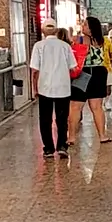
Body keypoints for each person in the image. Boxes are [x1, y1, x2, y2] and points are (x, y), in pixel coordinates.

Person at [29, 18, 78, 159]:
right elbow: (73, 67)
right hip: (63, 87)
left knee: (45, 119)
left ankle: (48, 149)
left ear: (43, 31)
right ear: (56, 31)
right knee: (62, 119)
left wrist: (34, 88)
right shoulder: (65, 46)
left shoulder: (38, 46)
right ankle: (62, 146)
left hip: (45, 88)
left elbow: (35, 71)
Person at [69, 17, 112, 144]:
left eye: (85, 25)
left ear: (90, 28)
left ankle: (71, 137)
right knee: (97, 107)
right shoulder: (101, 40)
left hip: (83, 73)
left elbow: (73, 53)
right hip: (99, 73)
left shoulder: (79, 39)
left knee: (76, 106)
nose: (83, 26)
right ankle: (102, 135)